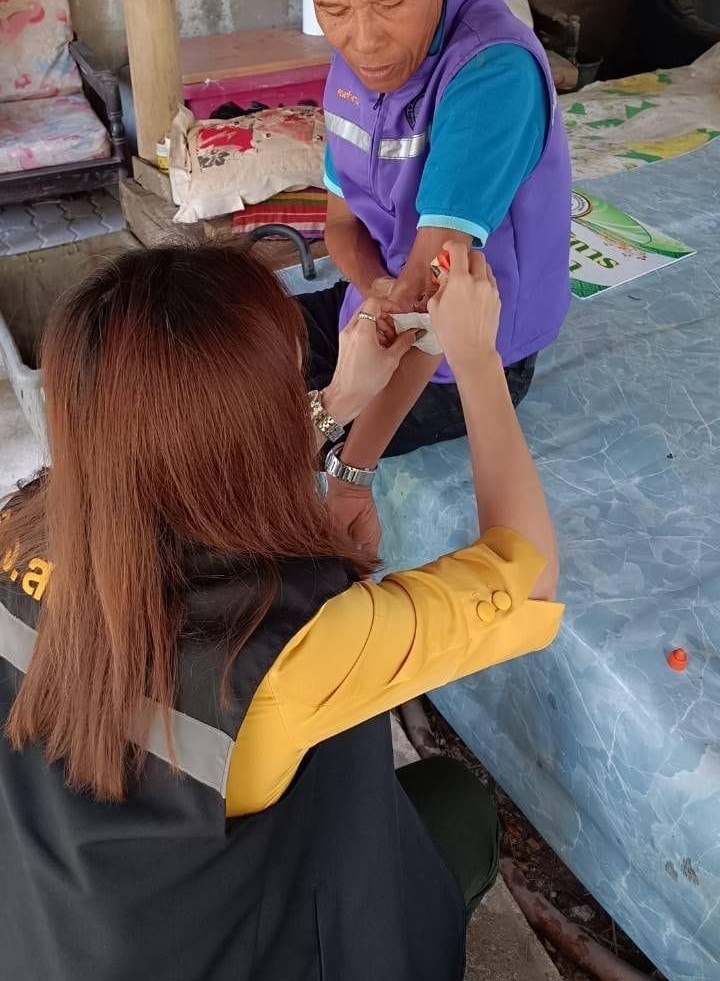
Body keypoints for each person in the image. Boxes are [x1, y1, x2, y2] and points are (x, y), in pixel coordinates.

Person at [0, 239, 562, 981]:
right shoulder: (288, 655)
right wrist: (479, 360)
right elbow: (530, 575)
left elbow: (180, 473)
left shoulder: (24, 525)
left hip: (54, 932)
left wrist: (342, 402)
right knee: (455, 809)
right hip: (251, 949)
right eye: (296, 374)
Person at [295, 0, 572, 551]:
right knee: (215, 362)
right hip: (380, 307)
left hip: (463, 356)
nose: (362, 41)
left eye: (390, 4)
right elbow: (340, 224)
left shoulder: (492, 72)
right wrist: (377, 290)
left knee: (259, 443)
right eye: (334, 9)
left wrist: (352, 471)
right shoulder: (355, 55)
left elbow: (431, 307)